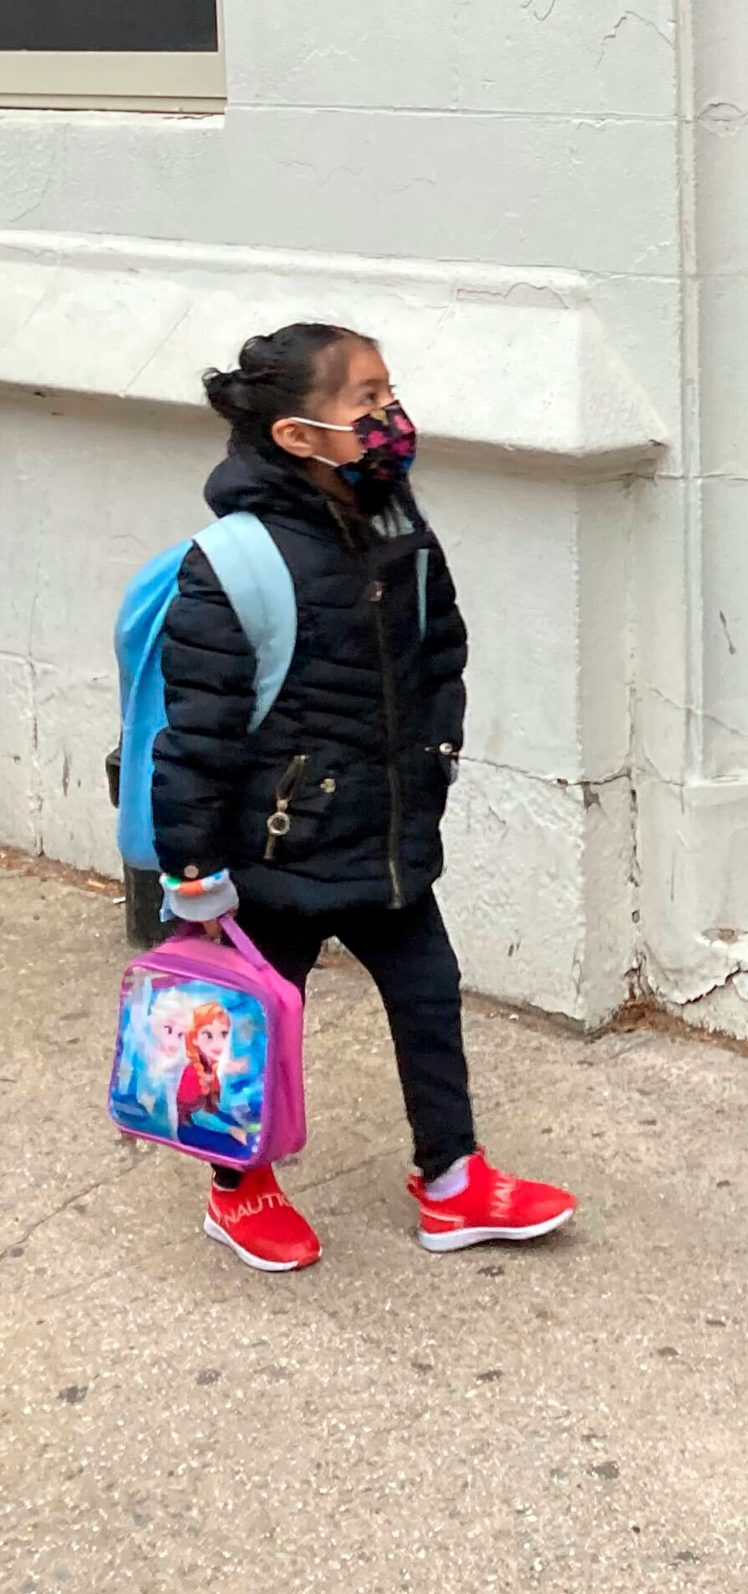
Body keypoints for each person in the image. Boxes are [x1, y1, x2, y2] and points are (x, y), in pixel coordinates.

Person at [153, 324, 576, 1273]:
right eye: (366, 403)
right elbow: (197, 733)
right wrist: (191, 870)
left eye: (392, 395)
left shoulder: (395, 521)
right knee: (251, 1024)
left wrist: (437, 755)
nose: (391, 419)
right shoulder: (236, 560)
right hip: (278, 850)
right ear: (298, 435)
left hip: (385, 832)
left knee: (428, 996)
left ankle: (452, 1178)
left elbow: (441, 647)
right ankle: (238, 1186)